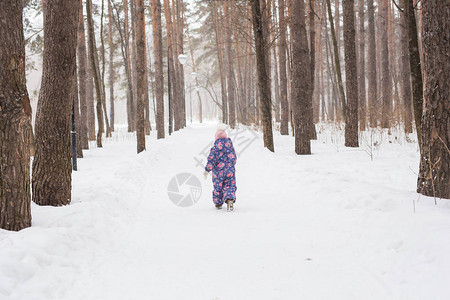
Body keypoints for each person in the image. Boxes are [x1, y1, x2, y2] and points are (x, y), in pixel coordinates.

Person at [204, 124, 237, 211]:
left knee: (218, 187)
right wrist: (231, 165)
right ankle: (229, 198)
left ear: (216, 138)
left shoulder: (215, 149)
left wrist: (207, 170)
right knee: (229, 185)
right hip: (230, 170)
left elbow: (211, 160)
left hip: (218, 172)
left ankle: (218, 203)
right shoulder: (230, 147)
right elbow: (234, 158)